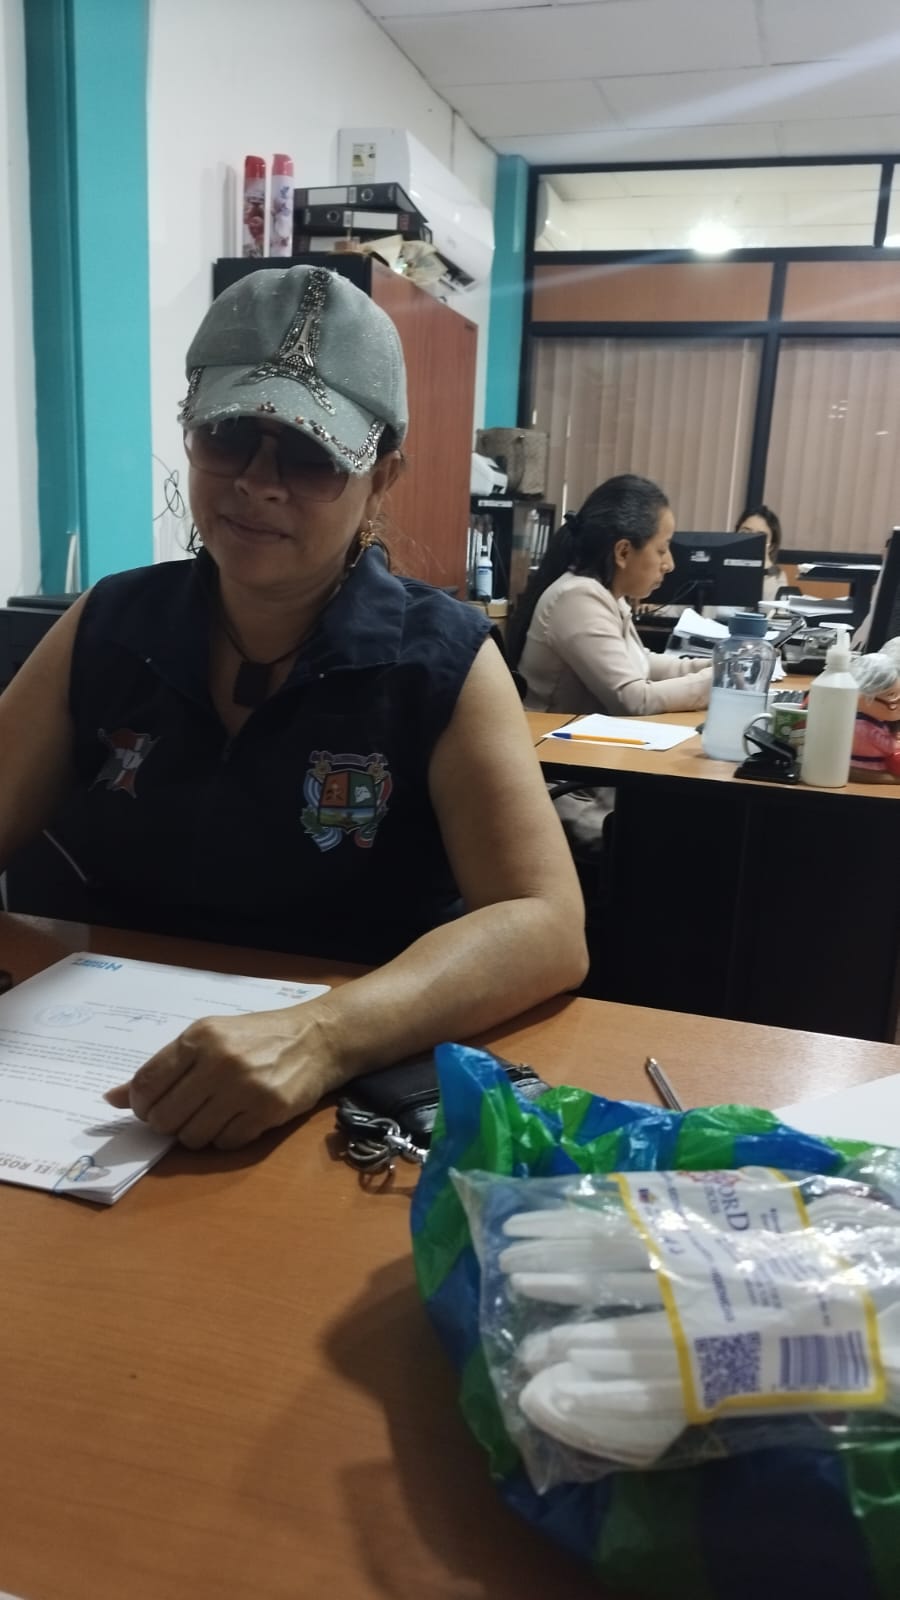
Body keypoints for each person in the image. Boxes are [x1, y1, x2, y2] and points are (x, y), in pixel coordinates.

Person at [0, 264, 587, 1150]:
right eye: (231, 434)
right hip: (98, 1089)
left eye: (312, 455)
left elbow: (546, 924)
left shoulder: (441, 658)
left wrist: (323, 1037)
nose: (259, 482)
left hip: (336, 1106)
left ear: (381, 476)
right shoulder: (112, 623)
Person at [508, 474, 712, 717]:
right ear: (623, 552)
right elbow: (633, 700)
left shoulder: (606, 593)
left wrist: (713, 666)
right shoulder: (577, 598)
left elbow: (641, 662)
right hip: (551, 739)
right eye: (662, 549)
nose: (669, 564)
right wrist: (716, 681)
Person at [735, 505, 786, 602]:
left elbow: (771, 608)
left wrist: (766, 569)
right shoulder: (719, 566)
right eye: (745, 533)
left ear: (771, 546)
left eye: (760, 537)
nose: (750, 540)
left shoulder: (777, 576)